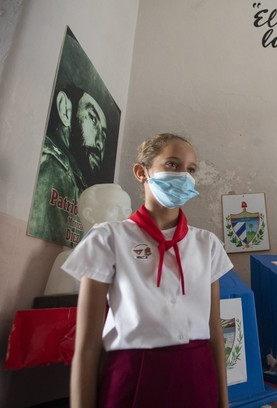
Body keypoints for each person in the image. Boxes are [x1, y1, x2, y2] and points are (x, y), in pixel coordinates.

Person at [63, 133, 233, 407]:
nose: (184, 176)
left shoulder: (207, 244)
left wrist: (223, 402)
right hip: (134, 377)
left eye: (191, 169)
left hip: (197, 377)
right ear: (142, 172)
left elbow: (215, 331)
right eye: (173, 165)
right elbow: (87, 346)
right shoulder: (108, 238)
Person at [28, 83, 109, 247]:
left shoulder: (77, 180)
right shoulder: (51, 163)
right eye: (93, 119)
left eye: (105, 135)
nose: (100, 143)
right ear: (65, 110)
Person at [44, 184, 132, 295]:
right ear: (89, 214)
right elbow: (59, 308)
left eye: (127, 212)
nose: (125, 218)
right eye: (115, 209)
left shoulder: (126, 263)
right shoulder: (70, 259)